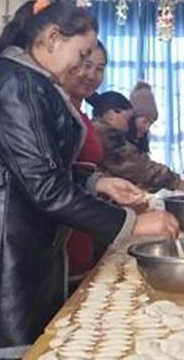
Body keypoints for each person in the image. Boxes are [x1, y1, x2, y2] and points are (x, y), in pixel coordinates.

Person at [0, 0, 179, 358]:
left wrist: (98, 183)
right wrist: (131, 223)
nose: (83, 67)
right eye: (81, 54)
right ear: (51, 38)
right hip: (4, 251)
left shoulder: (28, 81)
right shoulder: (15, 84)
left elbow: (36, 170)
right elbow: (44, 187)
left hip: (24, 240)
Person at [60, 41, 148, 286]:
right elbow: (50, 185)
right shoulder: (55, 114)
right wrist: (130, 222)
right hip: (64, 227)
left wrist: (100, 183)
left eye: (99, 68)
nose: (91, 75)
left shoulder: (80, 116)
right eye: (85, 65)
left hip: (85, 224)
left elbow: (74, 174)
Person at [89, 91, 184, 193]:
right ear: (112, 113)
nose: (127, 126)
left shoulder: (95, 130)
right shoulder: (106, 135)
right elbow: (140, 167)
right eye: (127, 120)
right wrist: (178, 183)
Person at [127, 81, 157, 154]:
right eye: (145, 122)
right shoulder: (117, 143)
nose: (147, 128)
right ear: (132, 118)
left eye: (150, 124)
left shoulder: (139, 143)